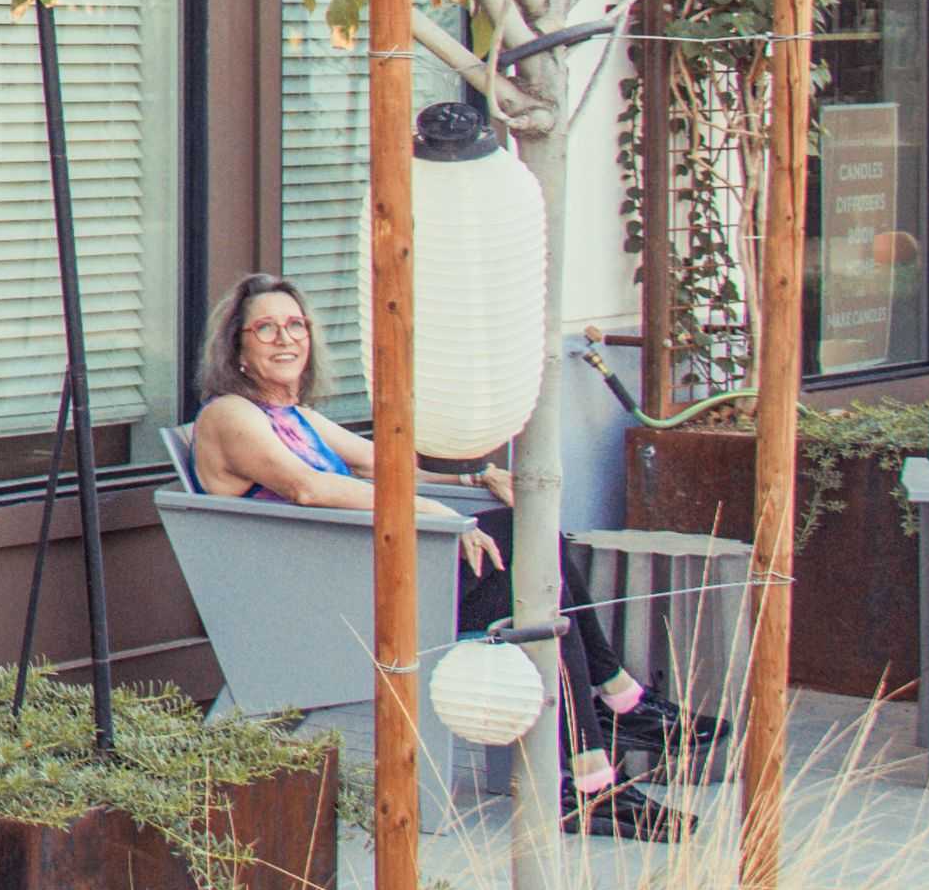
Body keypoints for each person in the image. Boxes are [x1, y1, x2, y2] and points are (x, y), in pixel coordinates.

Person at [185, 270, 707, 839]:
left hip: (350, 582)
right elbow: (309, 489)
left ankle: (599, 743)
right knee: (519, 559)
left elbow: (384, 461)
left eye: (295, 325)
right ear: (236, 347)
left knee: (524, 538)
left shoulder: (293, 417)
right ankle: (608, 721)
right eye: (265, 329)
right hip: (315, 610)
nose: (285, 339)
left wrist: (478, 473)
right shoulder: (230, 416)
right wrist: (438, 516)